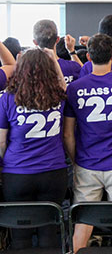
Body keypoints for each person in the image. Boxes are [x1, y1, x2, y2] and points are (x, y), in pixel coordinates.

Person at [63, 34, 112, 253]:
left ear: (88, 57)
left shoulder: (75, 88)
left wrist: (77, 160)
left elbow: (68, 133)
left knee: (83, 226)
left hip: (87, 163)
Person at [0, 48, 68, 249]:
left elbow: (1, 142)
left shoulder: (7, 98)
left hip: (17, 174)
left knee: (20, 233)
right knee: (48, 229)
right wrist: (54, 60)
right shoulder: (59, 96)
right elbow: (62, 84)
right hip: (53, 173)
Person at [33, 19, 82, 84]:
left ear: (35, 42)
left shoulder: (29, 70)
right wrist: (71, 51)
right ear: (57, 39)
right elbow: (86, 74)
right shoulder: (72, 67)